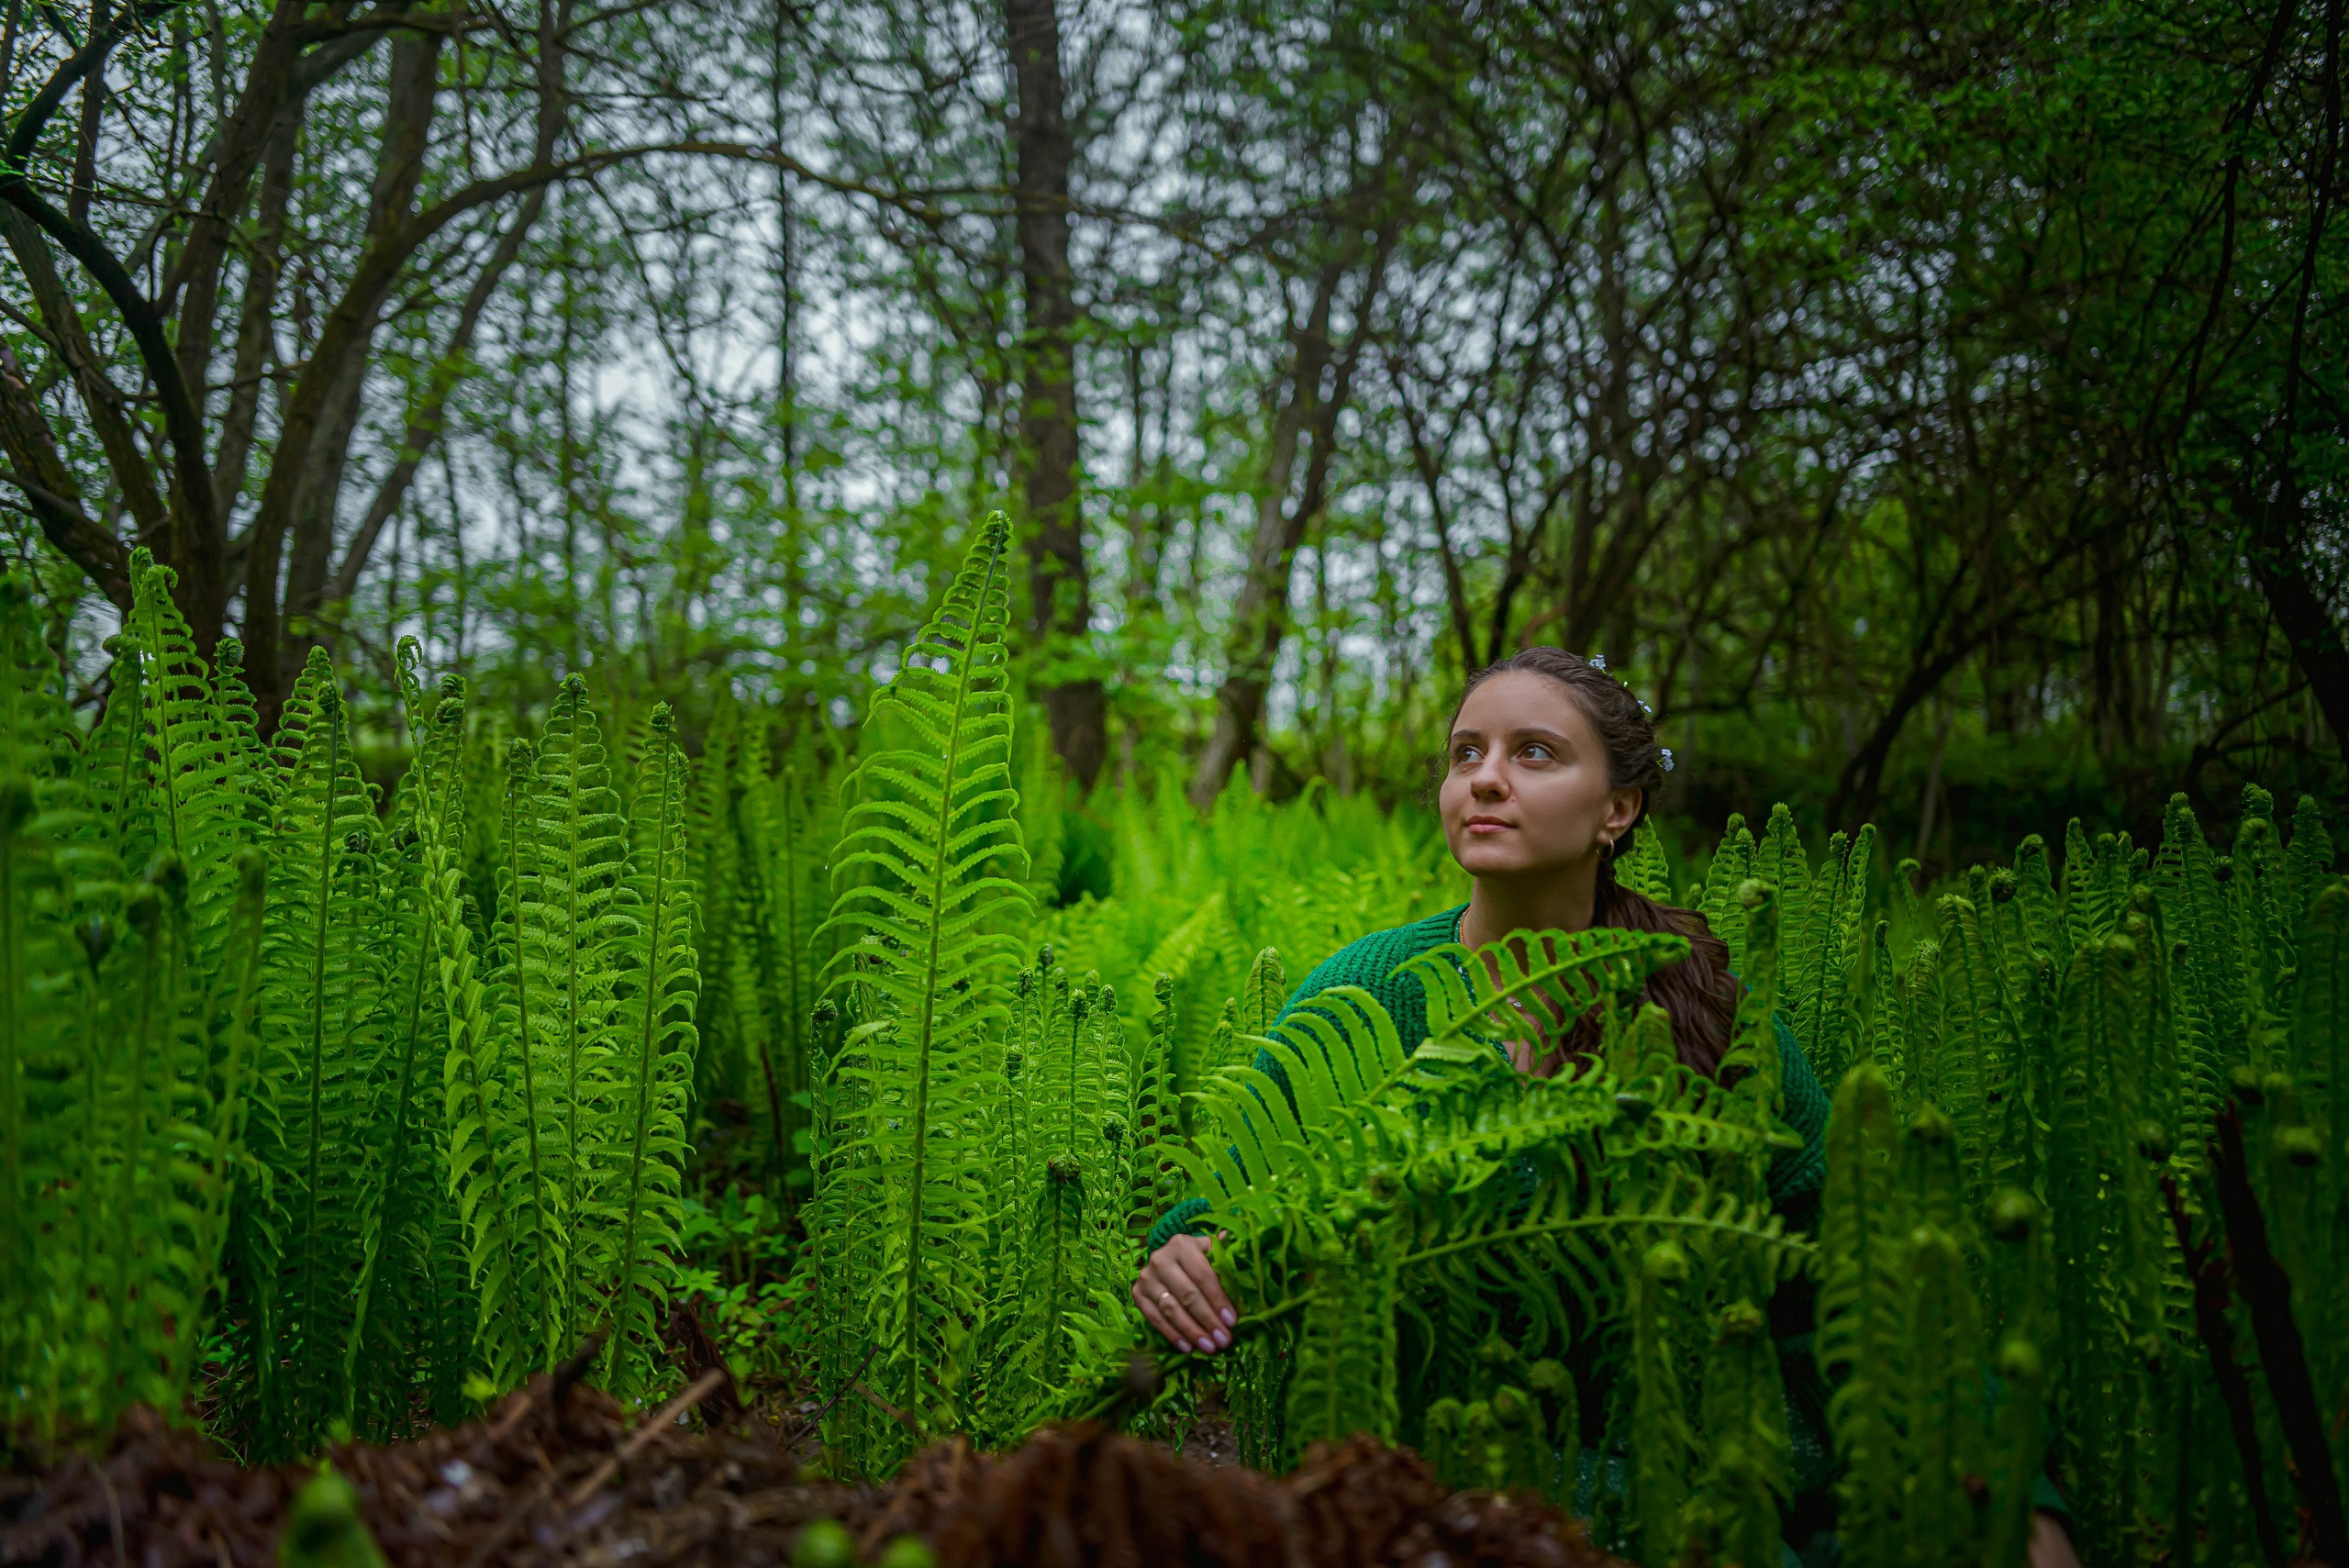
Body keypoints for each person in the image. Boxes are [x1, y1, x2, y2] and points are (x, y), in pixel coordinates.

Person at [1131, 647, 2080, 1568]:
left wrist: (2011, 1495)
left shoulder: (1707, 1008)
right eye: (1467, 753)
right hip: (1424, 1507)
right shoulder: (1371, 991)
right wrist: (1188, 1245)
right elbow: (1234, 1194)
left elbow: (1858, 1267)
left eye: (1533, 752)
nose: (1487, 778)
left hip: (1682, 1503)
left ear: (1617, 809)